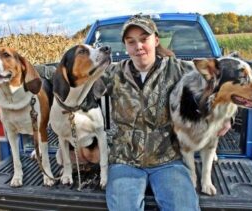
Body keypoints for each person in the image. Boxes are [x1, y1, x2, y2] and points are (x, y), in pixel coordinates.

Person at [94, 14, 231, 211]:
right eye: (131, 41)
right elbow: (78, 84)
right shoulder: (113, 73)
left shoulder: (178, 69)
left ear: (156, 40)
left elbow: (218, 83)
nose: (138, 46)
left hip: (168, 160)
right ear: (125, 46)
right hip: (125, 161)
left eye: (144, 39)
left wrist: (227, 117)